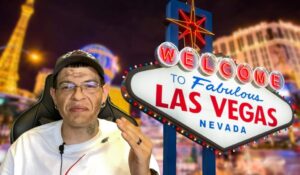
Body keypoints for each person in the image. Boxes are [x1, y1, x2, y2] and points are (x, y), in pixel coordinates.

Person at [0, 50, 160, 175]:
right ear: (54, 96)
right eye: (67, 86)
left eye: (89, 85)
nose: (77, 95)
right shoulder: (26, 146)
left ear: (104, 94)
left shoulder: (131, 146)